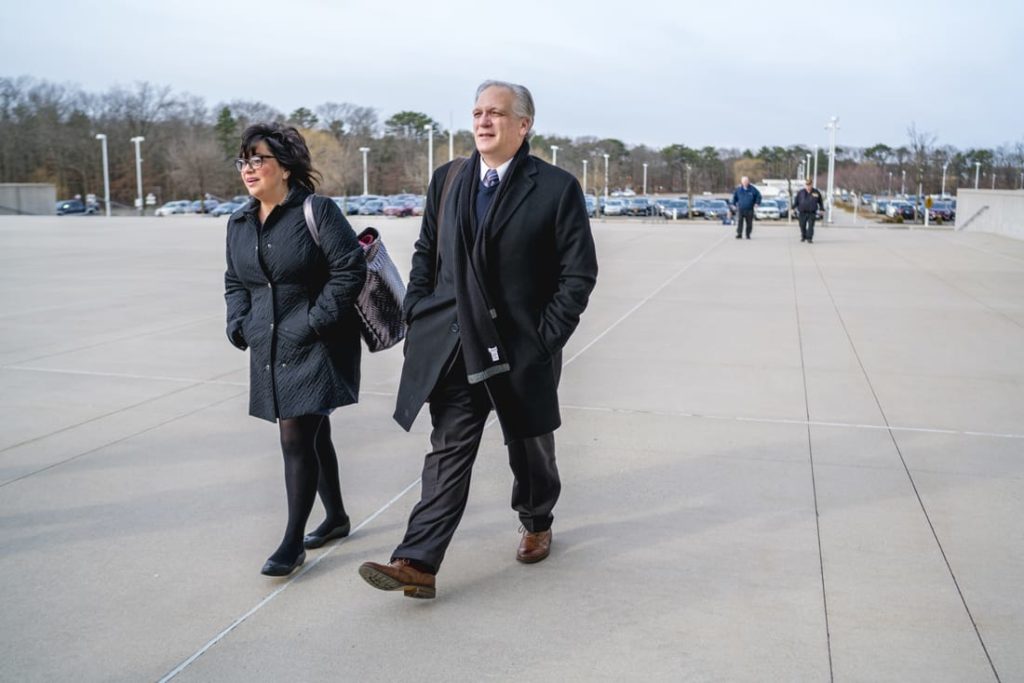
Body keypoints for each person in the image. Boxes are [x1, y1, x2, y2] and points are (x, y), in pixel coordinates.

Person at [358, 80, 598, 599]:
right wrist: (417, 308)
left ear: (524, 125)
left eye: (496, 113)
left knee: (530, 448)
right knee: (447, 449)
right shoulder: (448, 179)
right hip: (455, 342)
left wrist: (543, 340)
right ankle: (417, 562)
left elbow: (578, 274)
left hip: (521, 348)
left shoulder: (556, 188)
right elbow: (427, 251)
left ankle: (536, 519)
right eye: (477, 113)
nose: (484, 122)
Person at [224, 123, 367, 577]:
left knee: (295, 436)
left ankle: (291, 543)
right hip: (268, 345)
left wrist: (313, 321)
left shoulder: (316, 211)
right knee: (313, 433)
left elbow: (350, 269)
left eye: (258, 159)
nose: (248, 169)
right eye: (243, 161)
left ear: (285, 167)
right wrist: (237, 322)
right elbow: (235, 281)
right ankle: (337, 517)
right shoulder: (239, 222)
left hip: (316, 345)